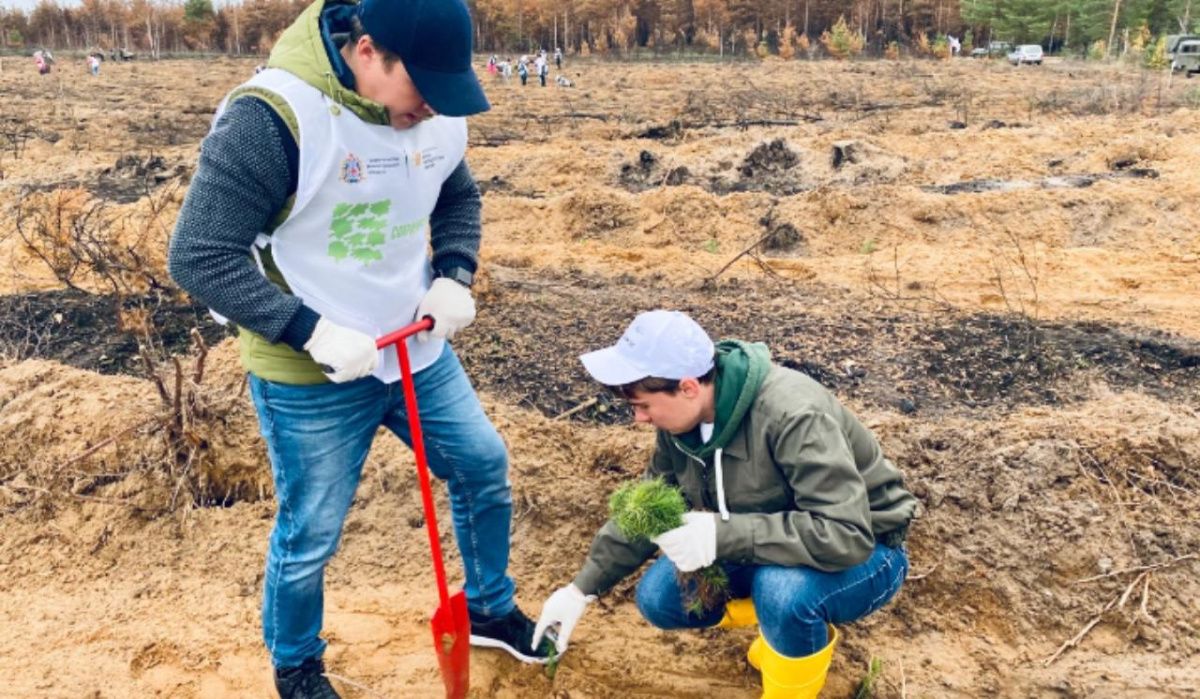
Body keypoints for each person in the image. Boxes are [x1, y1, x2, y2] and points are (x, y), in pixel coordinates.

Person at [167, 0, 555, 697]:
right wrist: (306, 329)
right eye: (424, 89)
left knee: (481, 464)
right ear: (369, 51)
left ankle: (490, 608)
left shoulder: (434, 114)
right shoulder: (274, 118)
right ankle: (297, 665)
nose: (434, 109)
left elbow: (455, 197)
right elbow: (198, 253)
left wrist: (453, 274)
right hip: (309, 373)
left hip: (414, 347)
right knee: (310, 529)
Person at [533, 310, 919, 698]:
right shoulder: (681, 426)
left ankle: (789, 658)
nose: (638, 418)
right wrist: (580, 590)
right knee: (662, 598)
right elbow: (650, 504)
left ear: (687, 387)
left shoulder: (794, 415)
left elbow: (844, 534)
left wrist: (718, 534)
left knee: (782, 594)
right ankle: (781, 630)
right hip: (772, 539)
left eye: (644, 405)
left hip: (869, 549)